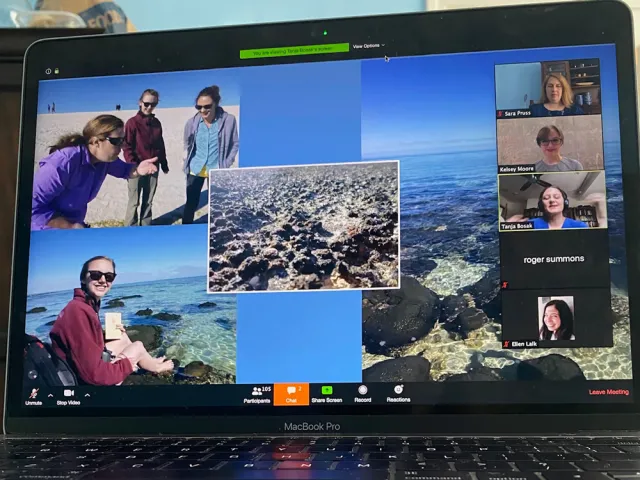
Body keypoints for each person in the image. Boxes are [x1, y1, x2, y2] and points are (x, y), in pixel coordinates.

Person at [49, 256, 175, 386]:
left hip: (75, 368)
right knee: (137, 346)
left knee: (121, 336)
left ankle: (151, 362)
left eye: (109, 276)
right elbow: (93, 376)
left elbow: (80, 342)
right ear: (82, 278)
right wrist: (126, 366)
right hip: (84, 381)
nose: (103, 280)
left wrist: (101, 335)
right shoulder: (78, 311)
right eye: (96, 275)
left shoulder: (84, 304)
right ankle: (156, 367)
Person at [31, 115, 159, 230]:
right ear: (96, 142)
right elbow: (31, 208)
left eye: (123, 140)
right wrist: (69, 226)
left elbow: (125, 170)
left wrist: (138, 169)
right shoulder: (63, 163)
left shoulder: (104, 160)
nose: (122, 146)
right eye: (117, 141)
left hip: (75, 227)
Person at [182, 85, 239, 224]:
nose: (203, 110)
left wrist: (226, 163)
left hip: (217, 168)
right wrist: (185, 161)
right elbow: (187, 143)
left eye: (207, 106)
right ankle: (185, 230)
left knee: (216, 205)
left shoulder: (229, 120)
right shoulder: (192, 122)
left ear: (216, 104)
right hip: (195, 168)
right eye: (199, 107)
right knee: (191, 204)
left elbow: (235, 143)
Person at [122, 89, 169, 226]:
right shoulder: (132, 123)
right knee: (134, 201)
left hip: (154, 168)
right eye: (146, 103)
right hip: (136, 169)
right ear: (140, 102)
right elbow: (126, 146)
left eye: (153, 105)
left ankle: (146, 226)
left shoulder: (157, 123)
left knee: (148, 200)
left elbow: (160, 144)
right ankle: (130, 228)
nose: (149, 107)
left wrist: (164, 163)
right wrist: (133, 166)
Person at [507, 186, 588, 229]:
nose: (552, 200)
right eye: (546, 198)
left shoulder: (580, 226)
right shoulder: (529, 225)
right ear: (541, 205)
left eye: (556, 197)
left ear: (565, 203)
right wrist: (506, 227)